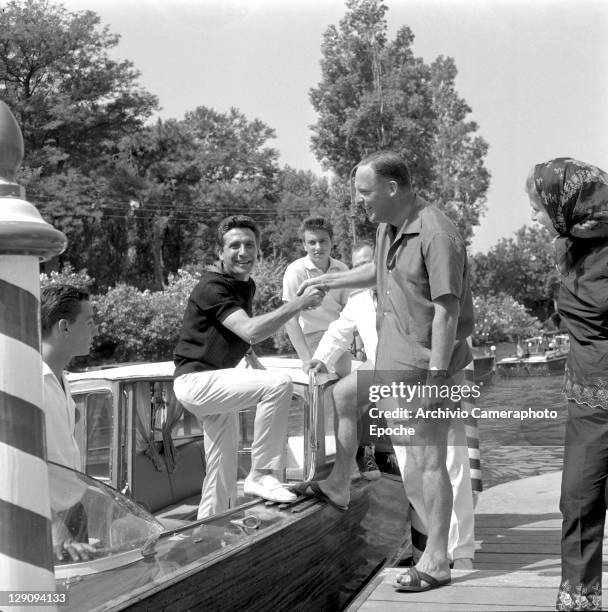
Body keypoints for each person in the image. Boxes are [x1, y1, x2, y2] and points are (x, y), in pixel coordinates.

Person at [294, 150, 474, 592]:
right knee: (408, 459)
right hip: (394, 366)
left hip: (425, 368)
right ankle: (348, 489)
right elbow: (377, 274)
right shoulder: (386, 229)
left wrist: (435, 377)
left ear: (392, 188)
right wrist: (328, 282)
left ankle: (438, 559)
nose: (360, 201)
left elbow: (447, 311)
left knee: (430, 463)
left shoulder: (435, 232)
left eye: (364, 191)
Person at [308, 242, 476, 568]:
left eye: (368, 265)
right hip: (389, 384)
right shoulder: (357, 303)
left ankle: (463, 551)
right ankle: (434, 550)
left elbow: (449, 322)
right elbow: (338, 334)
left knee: (451, 462)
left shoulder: (407, 290)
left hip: (432, 379)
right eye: (357, 267)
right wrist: (319, 359)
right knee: (412, 468)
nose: (362, 273)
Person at [173, 214, 325, 519]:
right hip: (196, 381)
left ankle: (206, 532)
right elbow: (251, 329)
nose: (243, 252)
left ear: (258, 250)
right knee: (279, 384)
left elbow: (240, 336)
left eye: (250, 245)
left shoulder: (245, 285)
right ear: (220, 252)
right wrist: (298, 303)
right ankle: (260, 474)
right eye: (235, 245)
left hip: (215, 381)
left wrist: (253, 359)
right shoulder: (211, 287)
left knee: (221, 466)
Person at [526, 158, 608, 611]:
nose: (535, 216)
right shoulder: (569, 246)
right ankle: (579, 600)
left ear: (565, 203)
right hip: (586, 396)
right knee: (578, 497)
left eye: (537, 206)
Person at [41, 284, 98, 561]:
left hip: (75, 510)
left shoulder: (62, 378)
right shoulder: (22, 384)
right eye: (89, 323)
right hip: (42, 520)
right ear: (64, 327)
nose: (95, 331)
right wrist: (51, 523)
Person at [282, 216, 352, 378]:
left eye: (323, 241)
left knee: (345, 381)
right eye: (312, 242)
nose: (318, 247)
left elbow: (349, 311)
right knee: (319, 382)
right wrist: (307, 359)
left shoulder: (342, 269)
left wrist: (358, 345)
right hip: (310, 336)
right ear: (304, 245)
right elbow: (290, 319)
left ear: (332, 241)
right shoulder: (296, 271)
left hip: (337, 334)